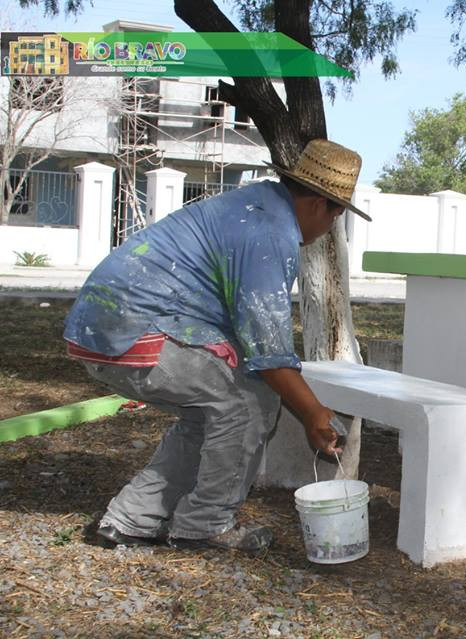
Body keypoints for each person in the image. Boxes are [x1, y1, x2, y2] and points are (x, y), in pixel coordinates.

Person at [63, 139, 372, 552]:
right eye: (335, 216)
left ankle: (131, 519)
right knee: (250, 400)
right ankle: (206, 525)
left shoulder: (253, 205)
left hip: (100, 327)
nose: (330, 228)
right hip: (134, 333)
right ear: (320, 205)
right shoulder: (269, 233)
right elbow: (268, 354)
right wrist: (312, 413)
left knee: (209, 411)